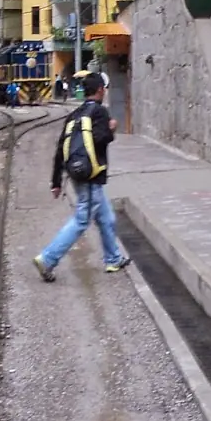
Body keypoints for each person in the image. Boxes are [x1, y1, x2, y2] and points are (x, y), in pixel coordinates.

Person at [33, 73, 130, 281]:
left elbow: (61, 147)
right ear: (100, 91)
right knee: (81, 220)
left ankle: (113, 259)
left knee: (106, 218)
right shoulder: (100, 113)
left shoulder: (74, 114)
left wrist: (56, 181)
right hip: (91, 175)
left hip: (77, 173)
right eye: (103, 89)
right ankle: (48, 259)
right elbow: (99, 140)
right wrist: (111, 130)